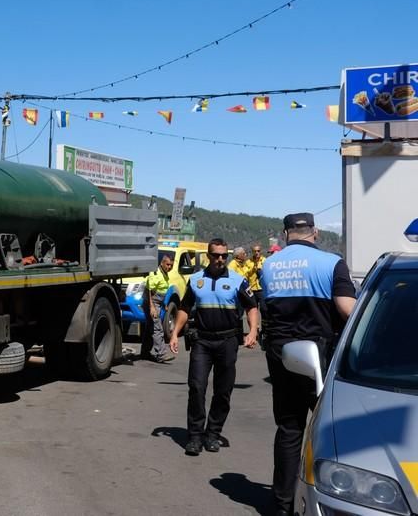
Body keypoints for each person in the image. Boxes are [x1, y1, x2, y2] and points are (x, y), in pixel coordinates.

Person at [260, 213, 356, 516]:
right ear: (314, 232)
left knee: (289, 428)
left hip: (282, 353)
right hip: (321, 353)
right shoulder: (331, 262)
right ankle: (334, 498)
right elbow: (345, 308)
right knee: (332, 427)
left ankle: (282, 503)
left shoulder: (270, 265)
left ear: (287, 234)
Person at [169, 238, 259, 456]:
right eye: (216, 255)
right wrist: (174, 333)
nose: (220, 259)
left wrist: (253, 331)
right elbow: (185, 307)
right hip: (202, 340)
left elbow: (252, 307)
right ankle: (195, 437)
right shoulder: (196, 280)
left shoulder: (238, 281)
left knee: (223, 391)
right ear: (208, 256)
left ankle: (213, 434)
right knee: (197, 387)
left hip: (228, 341)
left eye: (223, 256)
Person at [141, 253, 175, 363]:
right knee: (158, 329)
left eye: (171, 265)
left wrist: (164, 303)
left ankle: (145, 353)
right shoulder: (156, 273)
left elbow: (162, 289)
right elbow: (149, 291)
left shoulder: (164, 273)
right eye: (168, 264)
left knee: (150, 328)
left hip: (158, 303)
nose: (169, 267)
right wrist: (152, 307)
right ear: (162, 263)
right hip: (152, 303)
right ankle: (161, 354)